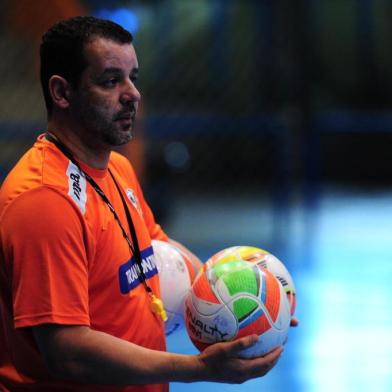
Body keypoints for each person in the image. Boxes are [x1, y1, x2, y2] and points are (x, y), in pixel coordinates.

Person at [0, 16, 286, 392]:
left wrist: (256, 300)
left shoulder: (116, 167)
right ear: (62, 92)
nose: (132, 93)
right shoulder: (45, 201)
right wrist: (198, 368)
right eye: (110, 80)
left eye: (133, 77)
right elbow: (66, 350)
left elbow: (154, 247)